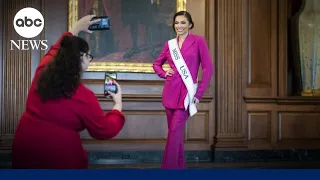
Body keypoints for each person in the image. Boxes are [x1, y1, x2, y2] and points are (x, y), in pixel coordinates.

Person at [11, 15, 125, 169]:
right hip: (58, 157)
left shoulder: (42, 70)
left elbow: (56, 49)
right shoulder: (83, 96)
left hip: (25, 146)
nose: (90, 60)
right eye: (89, 56)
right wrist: (117, 105)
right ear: (81, 57)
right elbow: (103, 129)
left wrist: (76, 28)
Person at [153, 11, 214, 169]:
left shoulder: (198, 41)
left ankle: (168, 170)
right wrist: (164, 72)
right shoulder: (169, 44)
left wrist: (199, 94)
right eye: (176, 23)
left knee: (174, 133)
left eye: (183, 22)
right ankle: (180, 169)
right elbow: (156, 64)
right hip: (170, 94)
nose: (179, 26)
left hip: (187, 95)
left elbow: (208, 69)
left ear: (190, 25)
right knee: (175, 136)